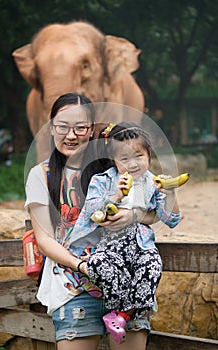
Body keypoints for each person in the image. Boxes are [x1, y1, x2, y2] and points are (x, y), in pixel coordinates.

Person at [25, 94, 157, 350]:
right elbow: (44, 239)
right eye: (62, 126)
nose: (71, 135)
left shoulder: (116, 167)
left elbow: (152, 211)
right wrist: (82, 265)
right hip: (73, 286)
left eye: (80, 127)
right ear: (51, 127)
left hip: (126, 283)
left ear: (92, 130)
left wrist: (132, 216)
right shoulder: (41, 175)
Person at [67, 122, 182, 345]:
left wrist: (171, 193)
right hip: (111, 246)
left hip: (140, 246)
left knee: (152, 265)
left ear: (148, 155)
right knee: (98, 264)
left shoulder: (153, 183)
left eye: (138, 155)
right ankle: (119, 311)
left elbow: (170, 219)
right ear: (114, 161)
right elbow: (92, 210)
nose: (132, 164)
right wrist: (116, 196)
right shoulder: (102, 181)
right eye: (124, 159)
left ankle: (124, 316)